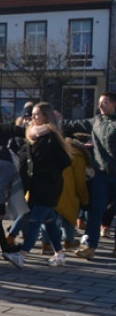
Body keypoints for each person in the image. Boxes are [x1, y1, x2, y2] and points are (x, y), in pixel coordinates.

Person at [3, 103, 72, 268]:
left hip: (48, 186)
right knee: (49, 221)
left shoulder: (51, 137)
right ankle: (60, 254)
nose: (32, 118)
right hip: (36, 185)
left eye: (36, 115)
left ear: (46, 117)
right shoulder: (33, 137)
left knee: (34, 221)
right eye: (32, 115)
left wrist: (49, 171)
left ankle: (22, 255)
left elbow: (65, 161)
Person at [61, 93, 116, 259]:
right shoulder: (96, 121)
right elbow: (74, 124)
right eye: (100, 103)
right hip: (101, 174)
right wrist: (54, 121)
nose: (100, 106)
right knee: (95, 211)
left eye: (104, 103)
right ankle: (90, 246)